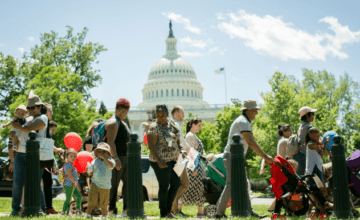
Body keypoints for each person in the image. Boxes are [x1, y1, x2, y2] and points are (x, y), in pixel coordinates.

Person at [215, 100, 273, 219]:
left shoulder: (244, 121)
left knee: (243, 184)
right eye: (255, 111)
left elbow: (252, 141)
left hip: (235, 157)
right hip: (232, 157)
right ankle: (218, 213)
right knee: (231, 185)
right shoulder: (243, 122)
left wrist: (264, 156)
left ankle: (249, 212)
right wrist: (265, 156)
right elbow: (251, 142)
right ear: (249, 110)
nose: (256, 113)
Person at [9, 95, 49, 215]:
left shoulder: (43, 118)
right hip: (21, 153)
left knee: (35, 182)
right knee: (17, 182)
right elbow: (16, 132)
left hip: (37, 155)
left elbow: (29, 129)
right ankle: (16, 209)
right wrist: (13, 133)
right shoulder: (26, 118)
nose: (31, 110)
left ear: (40, 107)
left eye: (33, 108)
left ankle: (42, 209)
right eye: (29, 108)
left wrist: (16, 125)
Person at [147, 104, 181, 218]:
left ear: (167, 114)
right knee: (164, 185)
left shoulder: (171, 124)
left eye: (163, 115)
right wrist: (159, 160)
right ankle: (163, 213)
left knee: (176, 183)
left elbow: (176, 139)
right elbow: (151, 145)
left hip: (172, 159)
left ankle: (168, 209)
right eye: (158, 115)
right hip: (159, 160)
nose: (161, 117)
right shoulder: (154, 127)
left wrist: (180, 151)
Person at [107, 98, 131, 217]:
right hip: (117, 157)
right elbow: (111, 142)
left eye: (125, 112)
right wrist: (115, 158)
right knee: (114, 185)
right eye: (121, 111)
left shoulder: (124, 123)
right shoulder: (113, 122)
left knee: (127, 184)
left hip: (126, 157)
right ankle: (111, 210)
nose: (123, 114)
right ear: (116, 110)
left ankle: (126, 210)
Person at [179, 117, 206, 218]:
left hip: (197, 166)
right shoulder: (190, 136)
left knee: (198, 189)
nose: (200, 127)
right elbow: (190, 153)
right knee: (189, 189)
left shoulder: (193, 135)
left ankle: (200, 211)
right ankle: (178, 208)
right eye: (198, 125)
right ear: (193, 125)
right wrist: (193, 168)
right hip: (193, 167)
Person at [85, 142, 115, 218]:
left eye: (104, 151)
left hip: (105, 186)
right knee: (92, 200)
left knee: (104, 202)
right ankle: (88, 214)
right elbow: (90, 172)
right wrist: (88, 170)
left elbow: (111, 165)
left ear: (108, 152)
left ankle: (104, 215)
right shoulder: (95, 161)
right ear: (97, 152)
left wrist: (105, 158)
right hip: (95, 183)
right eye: (99, 151)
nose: (101, 153)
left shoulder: (110, 160)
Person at [170, 106, 190, 217]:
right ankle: (174, 209)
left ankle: (173, 207)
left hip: (178, 157)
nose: (184, 115)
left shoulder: (174, 124)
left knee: (183, 183)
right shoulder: (175, 124)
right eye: (182, 113)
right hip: (177, 157)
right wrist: (191, 153)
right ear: (176, 114)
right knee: (181, 183)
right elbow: (181, 141)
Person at [43, 120, 61, 214]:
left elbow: (51, 149)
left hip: (47, 162)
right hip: (44, 162)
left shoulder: (48, 137)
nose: (53, 132)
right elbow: (50, 150)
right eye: (52, 129)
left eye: (54, 130)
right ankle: (47, 207)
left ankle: (47, 206)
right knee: (46, 183)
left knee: (48, 183)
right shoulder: (45, 135)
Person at [293, 106, 317, 175]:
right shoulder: (309, 127)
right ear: (307, 115)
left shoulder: (301, 126)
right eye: (312, 114)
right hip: (305, 157)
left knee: (300, 180)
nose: (313, 116)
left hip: (298, 156)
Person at [61, 149, 82, 216]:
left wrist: (77, 174)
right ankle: (63, 212)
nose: (73, 158)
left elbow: (73, 174)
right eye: (71, 156)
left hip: (72, 185)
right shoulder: (68, 165)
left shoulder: (72, 165)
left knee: (79, 196)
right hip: (68, 185)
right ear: (67, 157)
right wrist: (74, 183)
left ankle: (78, 210)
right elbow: (69, 176)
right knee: (68, 199)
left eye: (74, 156)